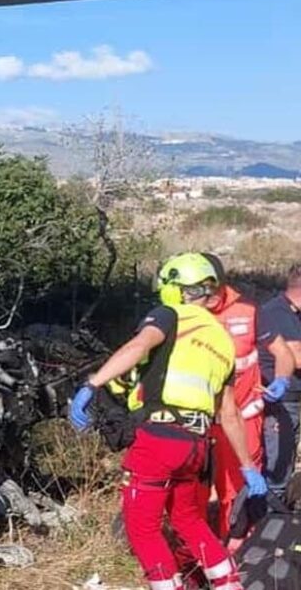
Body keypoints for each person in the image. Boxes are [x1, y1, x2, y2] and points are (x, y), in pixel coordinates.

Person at [70, 253, 267, 590]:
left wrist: (93, 383)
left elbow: (139, 345)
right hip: (198, 446)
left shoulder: (170, 315)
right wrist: (248, 466)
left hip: (159, 437)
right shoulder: (221, 340)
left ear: (175, 288)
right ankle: (229, 584)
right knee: (189, 519)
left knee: (142, 528)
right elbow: (229, 413)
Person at [198, 253, 294, 538]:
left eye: (213, 287)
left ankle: (235, 547)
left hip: (243, 418)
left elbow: (283, 353)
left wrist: (281, 379)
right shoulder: (185, 314)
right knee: (194, 490)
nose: (209, 296)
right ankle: (196, 550)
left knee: (237, 489)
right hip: (198, 419)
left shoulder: (248, 312)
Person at [259, 263, 301, 496]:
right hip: (279, 401)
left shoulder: (293, 314)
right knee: (277, 464)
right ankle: (267, 521)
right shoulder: (278, 313)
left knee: (285, 458)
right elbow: (296, 358)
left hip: (290, 400)